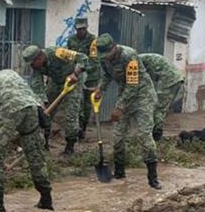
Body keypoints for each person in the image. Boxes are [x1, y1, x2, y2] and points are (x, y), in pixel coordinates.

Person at [0, 69, 52, 212]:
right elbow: (28, 92)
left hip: (9, 106)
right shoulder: (8, 74)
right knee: (35, 153)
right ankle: (46, 199)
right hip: (32, 107)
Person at [96, 34, 161, 189]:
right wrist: (100, 89)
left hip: (142, 96)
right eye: (103, 56)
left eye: (108, 54)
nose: (106, 58)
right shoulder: (103, 58)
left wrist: (119, 107)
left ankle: (153, 178)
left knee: (144, 135)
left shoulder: (129, 56)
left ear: (114, 46)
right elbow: (106, 76)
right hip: (124, 95)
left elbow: (133, 86)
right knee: (118, 137)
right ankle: (119, 173)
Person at [23, 44, 87, 155]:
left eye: (32, 63)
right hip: (56, 82)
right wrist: (43, 102)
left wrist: (75, 73)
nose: (32, 67)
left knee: (70, 114)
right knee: (45, 113)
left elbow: (83, 58)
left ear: (40, 57)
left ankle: (70, 145)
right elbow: (37, 86)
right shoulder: (36, 68)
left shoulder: (58, 53)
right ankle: (45, 143)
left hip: (73, 82)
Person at [65, 16, 99, 139]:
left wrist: (83, 68)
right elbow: (69, 56)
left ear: (86, 28)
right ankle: (78, 127)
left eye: (83, 29)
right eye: (79, 29)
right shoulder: (71, 40)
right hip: (76, 75)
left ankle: (84, 126)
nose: (81, 31)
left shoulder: (93, 40)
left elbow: (94, 60)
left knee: (87, 104)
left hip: (90, 75)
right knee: (77, 100)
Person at [139, 53, 184, 141]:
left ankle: (156, 135)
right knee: (162, 106)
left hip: (169, 79)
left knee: (159, 107)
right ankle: (156, 132)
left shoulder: (133, 62)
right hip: (174, 78)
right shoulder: (139, 59)